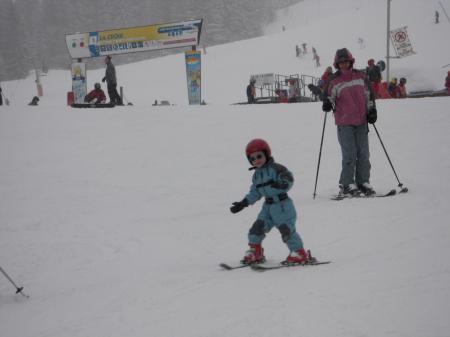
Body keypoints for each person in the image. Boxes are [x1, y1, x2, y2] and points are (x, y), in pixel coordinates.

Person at [229, 139, 309, 265]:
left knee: (286, 230)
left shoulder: (276, 169)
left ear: (266, 154)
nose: (257, 160)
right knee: (257, 227)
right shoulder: (256, 176)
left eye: (259, 156)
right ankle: (256, 252)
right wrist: (243, 203)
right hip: (268, 207)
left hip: (283, 205)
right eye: (253, 159)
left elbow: (288, 178)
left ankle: (299, 253)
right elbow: (255, 192)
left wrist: (282, 184)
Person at [322, 48, 377, 197]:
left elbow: (369, 95)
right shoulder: (334, 80)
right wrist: (327, 102)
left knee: (364, 153)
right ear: (336, 64)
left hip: (361, 120)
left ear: (350, 61)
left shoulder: (361, 76)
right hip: (344, 122)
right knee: (350, 154)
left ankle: (363, 182)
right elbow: (328, 95)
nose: (343, 64)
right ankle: (347, 183)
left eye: (345, 61)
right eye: (340, 62)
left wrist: (372, 110)